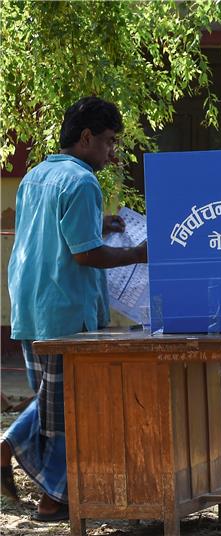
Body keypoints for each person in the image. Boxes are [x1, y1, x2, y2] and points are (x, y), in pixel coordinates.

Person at [0, 97, 148, 521]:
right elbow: (86, 256)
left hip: (30, 306)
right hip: (67, 309)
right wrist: (139, 253)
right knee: (72, 409)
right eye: (108, 142)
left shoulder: (36, 174)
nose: (112, 152)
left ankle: (9, 447)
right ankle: (54, 498)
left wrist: (99, 223)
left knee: (55, 401)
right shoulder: (82, 182)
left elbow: (49, 229)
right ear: (86, 138)